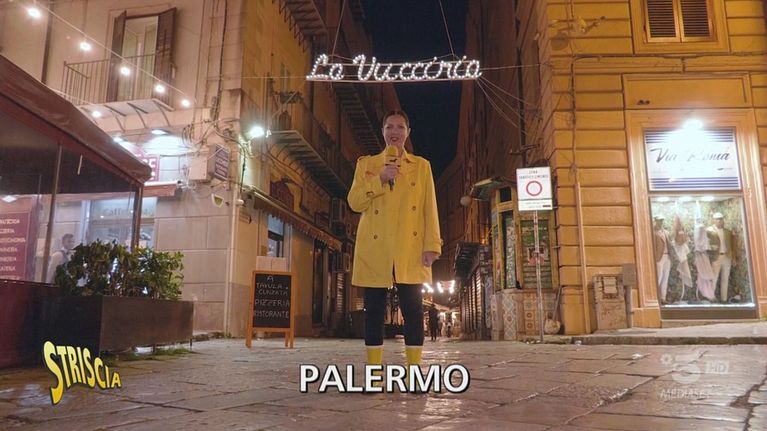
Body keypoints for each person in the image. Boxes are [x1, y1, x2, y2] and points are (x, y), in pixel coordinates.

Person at [347, 109, 442, 386]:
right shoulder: (367, 164)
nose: (395, 131)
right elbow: (354, 202)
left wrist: (431, 245)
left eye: (400, 126)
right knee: (374, 312)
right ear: (383, 131)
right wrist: (379, 179)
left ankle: (414, 373)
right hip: (375, 246)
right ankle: (374, 374)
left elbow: (429, 208)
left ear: (408, 132)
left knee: (413, 310)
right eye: (389, 126)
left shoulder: (421, 166)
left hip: (409, 246)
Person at [707, 212, 736, 303]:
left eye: (721, 219)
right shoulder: (708, 230)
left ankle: (724, 298)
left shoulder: (727, 231)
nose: (720, 221)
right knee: (714, 277)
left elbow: (732, 245)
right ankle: (711, 297)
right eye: (717, 219)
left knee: (725, 278)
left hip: (727, 256)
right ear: (713, 220)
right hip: (716, 256)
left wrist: (733, 257)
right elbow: (705, 244)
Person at [652, 214, 672, 305]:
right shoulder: (653, 232)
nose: (660, 222)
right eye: (659, 220)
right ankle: (655, 296)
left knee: (665, 277)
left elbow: (669, 245)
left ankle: (663, 297)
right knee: (658, 277)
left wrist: (671, 257)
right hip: (659, 257)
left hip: (667, 257)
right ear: (655, 221)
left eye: (662, 220)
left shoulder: (666, 232)